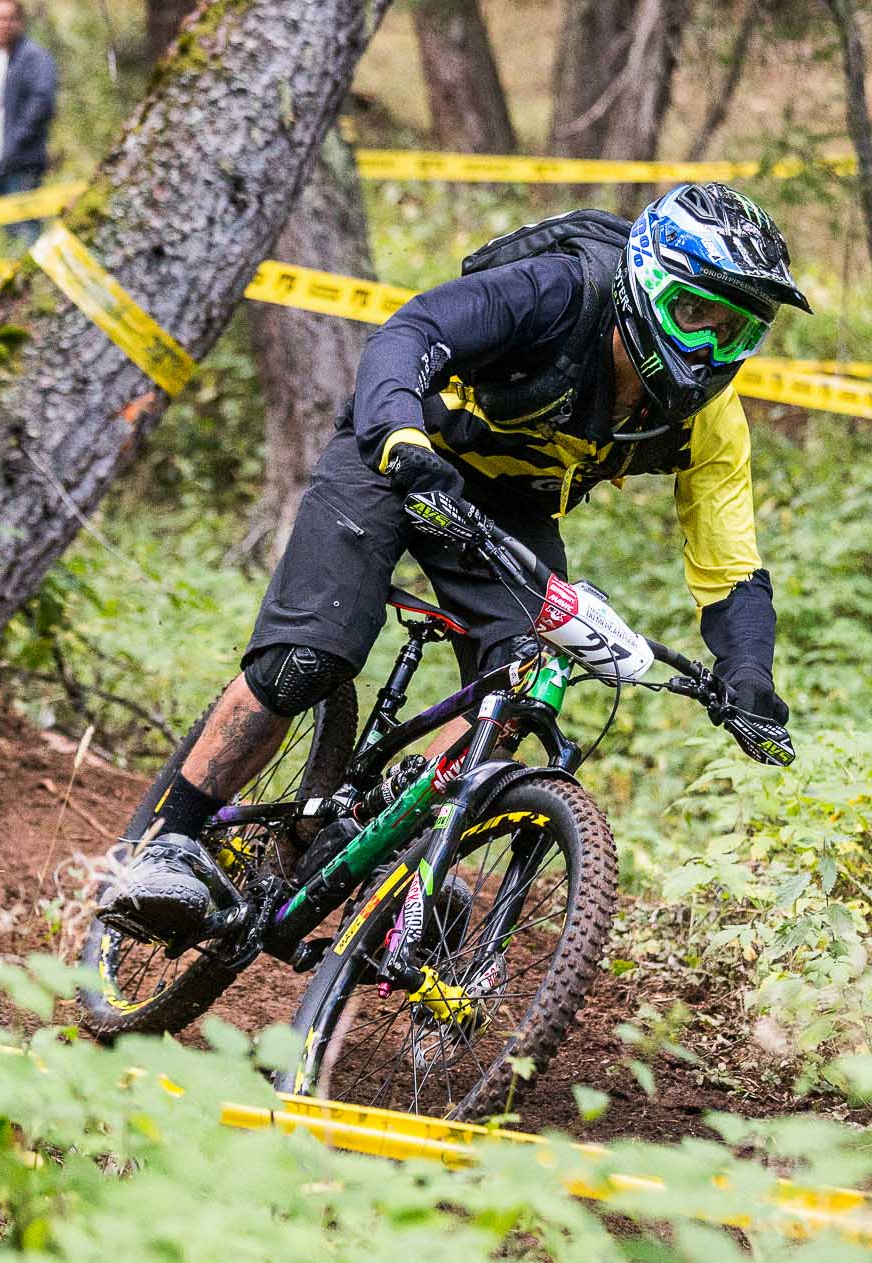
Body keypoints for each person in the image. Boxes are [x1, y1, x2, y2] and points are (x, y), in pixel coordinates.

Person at [101, 183, 810, 944]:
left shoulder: (709, 424)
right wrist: (401, 442)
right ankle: (166, 843)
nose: (708, 346)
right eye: (694, 313)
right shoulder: (559, 293)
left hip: (509, 508)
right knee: (307, 657)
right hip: (400, 450)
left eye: (735, 330)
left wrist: (749, 676)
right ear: (645, 284)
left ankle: (396, 856)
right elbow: (409, 334)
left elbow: (731, 565)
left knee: (521, 688)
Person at [0, 0, 57, 245]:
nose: (3, 24)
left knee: (27, 229)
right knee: (8, 231)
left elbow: (42, 103)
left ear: (20, 22)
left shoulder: (34, 58)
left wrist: (17, 140)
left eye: (9, 18)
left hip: (23, 161)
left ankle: (35, 280)